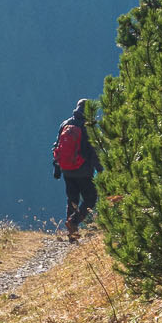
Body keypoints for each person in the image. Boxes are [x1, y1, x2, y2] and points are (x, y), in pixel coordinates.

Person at [52, 98, 99, 240]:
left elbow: (57, 147)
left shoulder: (66, 124)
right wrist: (101, 171)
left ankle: (72, 233)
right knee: (90, 198)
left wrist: (57, 168)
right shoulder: (88, 127)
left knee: (72, 199)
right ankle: (73, 222)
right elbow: (94, 152)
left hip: (67, 170)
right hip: (84, 171)